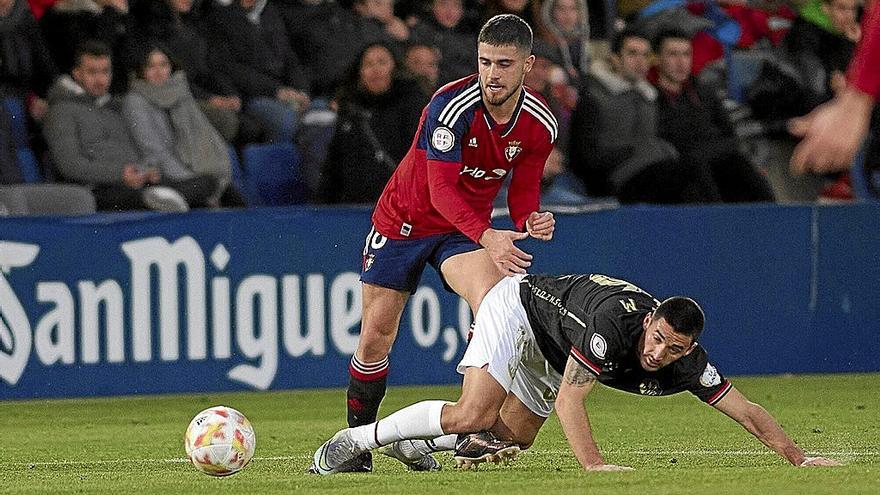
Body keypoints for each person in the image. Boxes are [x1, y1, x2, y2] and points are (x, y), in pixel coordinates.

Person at [311, 273, 842, 474]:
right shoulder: (612, 327)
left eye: (674, 348)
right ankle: (352, 440)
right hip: (517, 307)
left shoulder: (688, 364)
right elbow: (571, 402)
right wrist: (594, 465)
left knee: (507, 438)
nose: (658, 353)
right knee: (474, 412)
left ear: (690, 348)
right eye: (656, 338)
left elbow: (745, 411)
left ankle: (416, 444)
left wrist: (798, 458)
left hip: (552, 343)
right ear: (650, 320)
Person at [338, 14, 558, 473]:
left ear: (527, 65)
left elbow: (522, 187)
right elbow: (440, 192)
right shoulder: (450, 105)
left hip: (462, 230)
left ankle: (472, 427)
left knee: (495, 298)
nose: (492, 75)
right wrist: (489, 235)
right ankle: (357, 443)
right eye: (484, 62)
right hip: (405, 220)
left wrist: (529, 218)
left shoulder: (540, 124)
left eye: (503, 64)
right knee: (376, 337)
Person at [43, 41, 217, 211]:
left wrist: (146, 170)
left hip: (137, 183)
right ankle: (163, 198)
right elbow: (71, 165)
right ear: (77, 74)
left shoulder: (113, 107)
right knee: (156, 198)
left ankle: (165, 197)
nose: (100, 79)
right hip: (99, 189)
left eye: (105, 72)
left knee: (209, 184)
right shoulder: (61, 111)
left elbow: (136, 151)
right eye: (92, 72)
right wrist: (120, 174)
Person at [570, 28, 711, 203]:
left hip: (651, 170)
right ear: (615, 58)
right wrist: (634, 152)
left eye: (645, 56)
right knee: (684, 175)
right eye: (632, 54)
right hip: (614, 180)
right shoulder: (594, 97)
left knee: (705, 169)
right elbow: (584, 158)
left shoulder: (649, 96)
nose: (640, 62)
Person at [652, 29, 775, 203]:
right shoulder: (650, 98)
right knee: (700, 169)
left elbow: (728, 132)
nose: (681, 62)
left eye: (686, 54)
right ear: (657, 58)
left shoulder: (704, 92)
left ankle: (773, 216)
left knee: (744, 169)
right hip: (684, 166)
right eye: (673, 55)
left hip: (718, 157)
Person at [122, 44, 245, 207]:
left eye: (163, 65)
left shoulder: (180, 93)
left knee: (233, 197)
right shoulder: (135, 101)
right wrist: (189, 176)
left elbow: (201, 136)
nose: (159, 72)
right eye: (151, 66)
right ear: (141, 71)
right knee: (206, 186)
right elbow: (154, 151)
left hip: (194, 171)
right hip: (160, 172)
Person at [318, 42, 428, 204]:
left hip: (404, 209)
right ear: (360, 73)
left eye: (382, 62)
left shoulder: (415, 107)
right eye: (368, 64)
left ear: (395, 68)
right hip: (352, 212)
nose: (375, 70)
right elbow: (333, 168)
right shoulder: (350, 111)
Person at [791, 0, 879, 174]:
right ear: (825, 9)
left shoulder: (857, 33)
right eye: (842, 9)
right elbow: (808, 80)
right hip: (810, 107)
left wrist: (855, 98)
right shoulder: (805, 34)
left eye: (852, 9)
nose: (848, 15)